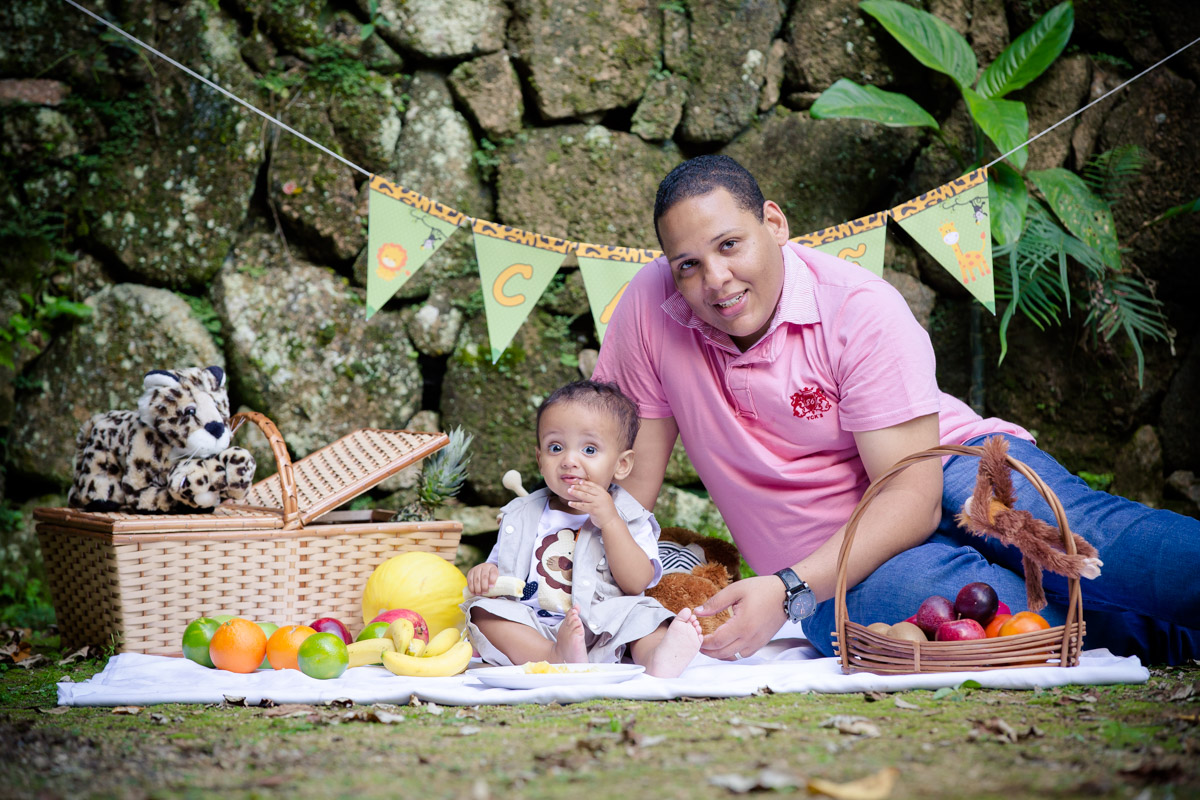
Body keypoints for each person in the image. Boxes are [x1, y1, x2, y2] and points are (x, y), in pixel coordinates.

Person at [592, 154, 1200, 665]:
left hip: (945, 465)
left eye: (731, 245)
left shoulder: (858, 307)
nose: (716, 279)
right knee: (999, 624)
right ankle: (1176, 643)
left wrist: (785, 589)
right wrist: (553, 585)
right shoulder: (650, 308)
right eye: (688, 265)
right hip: (830, 562)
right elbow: (625, 486)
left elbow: (913, 495)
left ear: (773, 223)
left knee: (1094, 541)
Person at [462, 380, 704, 678]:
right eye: (555, 447)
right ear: (540, 460)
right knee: (483, 612)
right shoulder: (521, 515)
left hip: (608, 622)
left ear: (622, 464)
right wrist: (485, 573)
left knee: (645, 615)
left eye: (589, 449)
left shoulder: (629, 516)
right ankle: (552, 655)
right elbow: (501, 569)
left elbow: (637, 582)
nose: (569, 460)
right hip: (536, 624)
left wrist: (610, 522)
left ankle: (658, 658)